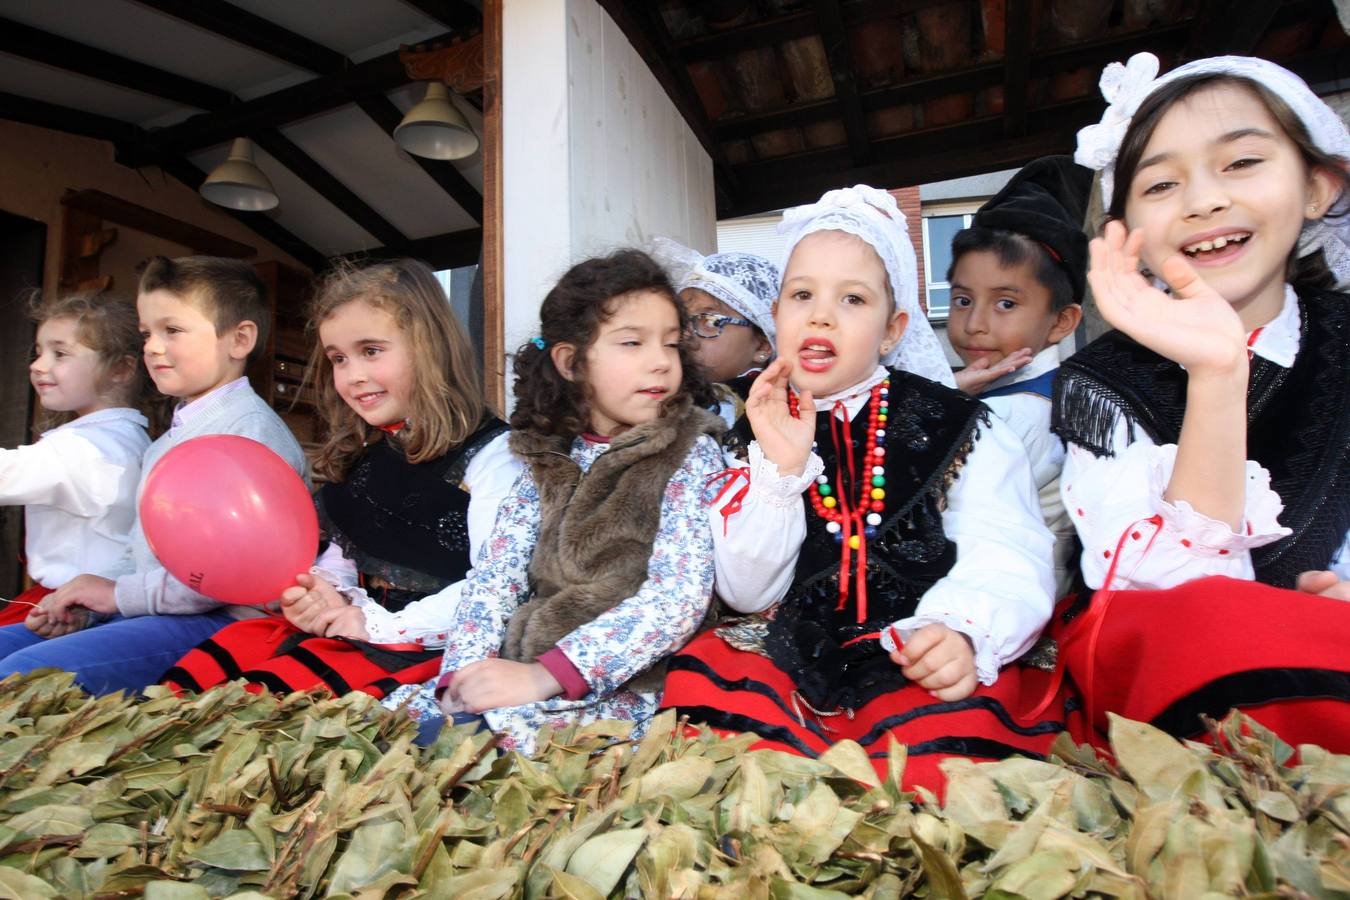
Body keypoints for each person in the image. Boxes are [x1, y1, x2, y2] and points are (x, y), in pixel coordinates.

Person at [660, 186, 1066, 790]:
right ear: (777, 320)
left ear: (891, 329)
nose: (820, 315)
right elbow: (748, 592)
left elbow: (1006, 546)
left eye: (852, 298)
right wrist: (779, 469)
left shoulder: (956, 423)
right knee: (708, 693)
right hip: (797, 652)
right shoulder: (755, 429)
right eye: (801, 295)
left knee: (952, 748)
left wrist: (963, 627)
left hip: (922, 639)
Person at [1051, 53, 1350, 748]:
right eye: (1160, 184)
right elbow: (1173, 597)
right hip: (1188, 667)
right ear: (1123, 227)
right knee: (1209, 626)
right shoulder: (1103, 384)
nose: (1204, 200)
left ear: (1316, 186)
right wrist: (1216, 377)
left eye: (1241, 162)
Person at [387, 249, 725, 753]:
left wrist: (546, 676)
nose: (660, 361)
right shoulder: (545, 457)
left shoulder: (689, 453)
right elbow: (496, 577)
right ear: (570, 362)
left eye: (671, 344)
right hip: (525, 665)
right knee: (405, 730)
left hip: (627, 679)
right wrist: (463, 674)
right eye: (632, 342)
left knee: (505, 754)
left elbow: (676, 599)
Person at [162, 258, 519, 698]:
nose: (353, 376)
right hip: (356, 630)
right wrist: (326, 595)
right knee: (207, 683)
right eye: (338, 359)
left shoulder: (495, 456)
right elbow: (347, 552)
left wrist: (377, 625)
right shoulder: (367, 452)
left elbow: (499, 586)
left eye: (371, 351)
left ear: (431, 347)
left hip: (431, 645)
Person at [0, 256, 308, 694]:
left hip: (218, 622)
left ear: (239, 339)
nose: (153, 347)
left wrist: (118, 597)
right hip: (151, 611)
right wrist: (95, 603)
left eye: (173, 331)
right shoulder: (167, 441)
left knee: (24, 674)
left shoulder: (250, 436)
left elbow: (222, 581)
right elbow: (141, 546)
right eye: (147, 333)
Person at [946, 156, 1091, 593]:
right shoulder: (1052, 390)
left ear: (1062, 321)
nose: (975, 325)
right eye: (963, 300)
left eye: (1006, 303)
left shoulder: (1014, 414)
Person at [0, 292, 150, 626]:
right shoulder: (129, 438)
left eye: (60, 353)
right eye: (39, 352)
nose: (38, 365)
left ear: (122, 368)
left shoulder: (87, 450)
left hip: (71, 605)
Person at [651, 238, 779, 426]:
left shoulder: (777, 417)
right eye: (681, 320)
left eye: (710, 321)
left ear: (763, 345)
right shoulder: (660, 397)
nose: (685, 334)